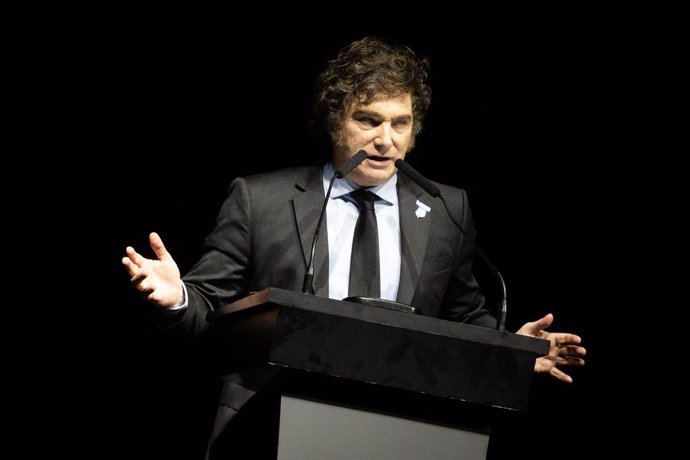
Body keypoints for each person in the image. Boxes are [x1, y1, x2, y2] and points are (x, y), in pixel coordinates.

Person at [122, 35, 586, 458]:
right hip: (271, 427)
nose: (386, 141)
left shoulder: (446, 209)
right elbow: (208, 307)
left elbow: (463, 317)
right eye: (368, 121)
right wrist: (178, 296)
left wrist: (512, 351)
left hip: (405, 433)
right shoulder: (260, 200)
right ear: (333, 120)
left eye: (400, 124)